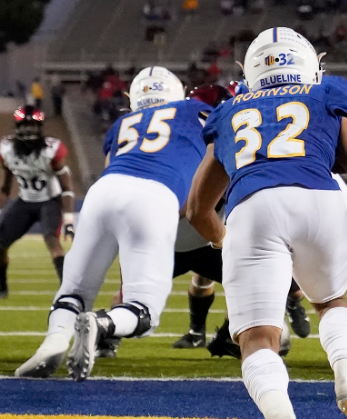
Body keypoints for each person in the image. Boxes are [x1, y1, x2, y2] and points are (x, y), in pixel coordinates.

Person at [187, 27, 347, 419]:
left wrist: (227, 241)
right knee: (331, 302)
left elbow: (197, 210)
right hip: (319, 199)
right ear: (309, 63)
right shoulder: (327, 92)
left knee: (258, 339)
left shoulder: (230, 110)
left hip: (251, 205)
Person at [15, 67, 212, 380]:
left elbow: (111, 166)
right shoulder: (196, 111)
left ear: (133, 98)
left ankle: (52, 343)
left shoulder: (123, 122)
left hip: (102, 193)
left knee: (75, 290)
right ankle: (103, 324)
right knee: (144, 310)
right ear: (178, 92)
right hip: (155, 196)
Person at [0, 106, 75, 300]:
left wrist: (68, 218)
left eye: (32, 125)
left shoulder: (51, 150)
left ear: (40, 127)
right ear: (17, 126)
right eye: (25, 126)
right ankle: (1, 287)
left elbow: (66, 187)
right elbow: (6, 187)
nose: (28, 130)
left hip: (49, 201)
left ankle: (68, 291)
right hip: (25, 201)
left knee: (52, 240)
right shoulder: (7, 150)